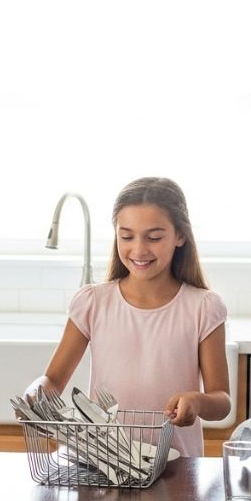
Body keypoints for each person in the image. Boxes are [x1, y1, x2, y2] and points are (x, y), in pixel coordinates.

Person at [25, 177, 230, 457]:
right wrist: (34, 393)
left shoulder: (203, 307)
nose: (139, 249)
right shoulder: (92, 302)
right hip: (104, 463)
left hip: (176, 467)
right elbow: (53, 380)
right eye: (127, 236)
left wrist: (197, 402)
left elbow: (222, 402)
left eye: (154, 237)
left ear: (180, 236)